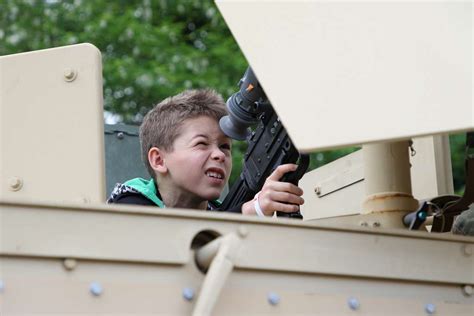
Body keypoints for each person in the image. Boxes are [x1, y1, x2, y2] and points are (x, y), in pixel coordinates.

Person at [107, 89, 304, 216]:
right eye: (201, 143)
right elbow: (170, 239)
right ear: (159, 160)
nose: (219, 155)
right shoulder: (129, 203)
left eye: (225, 146)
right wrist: (251, 211)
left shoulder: (220, 211)